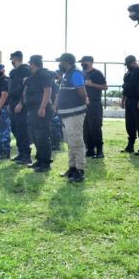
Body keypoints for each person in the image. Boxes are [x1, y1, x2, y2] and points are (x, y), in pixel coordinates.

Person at [55, 53, 88, 182]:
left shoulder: (75, 73)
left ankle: (80, 170)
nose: (59, 64)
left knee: (76, 141)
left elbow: (81, 91)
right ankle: (72, 168)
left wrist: (85, 100)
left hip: (74, 113)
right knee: (70, 142)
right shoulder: (67, 74)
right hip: (67, 114)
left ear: (67, 62)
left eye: (61, 62)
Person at [22, 55, 53, 172]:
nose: (29, 66)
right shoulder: (33, 76)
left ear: (34, 64)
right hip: (33, 110)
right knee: (35, 136)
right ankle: (40, 160)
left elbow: (47, 91)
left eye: (30, 64)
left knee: (42, 136)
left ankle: (45, 163)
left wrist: (42, 107)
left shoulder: (43, 74)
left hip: (41, 109)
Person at [79, 56, 108, 158]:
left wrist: (92, 84)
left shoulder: (97, 73)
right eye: (81, 62)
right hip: (83, 105)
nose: (82, 64)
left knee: (95, 127)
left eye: (84, 62)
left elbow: (105, 86)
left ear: (90, 62)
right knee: (86, 129)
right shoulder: (82, 74)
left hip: (94, 104)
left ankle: (100, 151)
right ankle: (90, 149)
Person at [121, 55, 139, 155]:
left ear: (133, 62)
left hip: (138, 100)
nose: (127, 66)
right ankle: (130, 146)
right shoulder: (128, 73)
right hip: (129, 100)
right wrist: (123, 99)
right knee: (129, 124)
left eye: (128, 64)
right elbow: (125, 88)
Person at [8, 51, 32, 165]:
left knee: (22, 129)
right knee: (14, 128)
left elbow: (26, 88)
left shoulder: (25, 70)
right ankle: (21, 152)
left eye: (12, 59)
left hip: (21, 103)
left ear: (16, 58)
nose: (12, 62)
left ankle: (27, 155)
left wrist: (21, 103)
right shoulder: (13, 72)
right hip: (12, 103)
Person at [50, 70, 63, 151]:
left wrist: (54, 107)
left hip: (54, 110)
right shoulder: (49, 85)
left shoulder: (55, 86)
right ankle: (53, 143)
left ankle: (56, 144)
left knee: (55, 127)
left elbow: (57, 97)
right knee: (50, 128)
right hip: (50, 109)